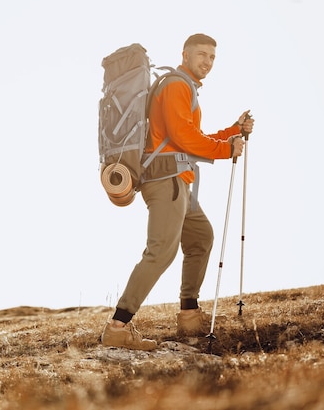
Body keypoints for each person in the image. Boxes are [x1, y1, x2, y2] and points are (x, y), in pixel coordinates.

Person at [101, 33, 255, 350]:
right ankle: (118, 326)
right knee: (161, 252)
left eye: (212, 57)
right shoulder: (175, 86)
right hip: (166, 182)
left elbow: (190, 136)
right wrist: (227, 149)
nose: (207, 62)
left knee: (200, 237)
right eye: (201, 55)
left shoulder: (183, 88)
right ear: (185, 54)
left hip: (179, 181)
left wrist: (232, 132)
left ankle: (189, 314)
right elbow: (184, 137)